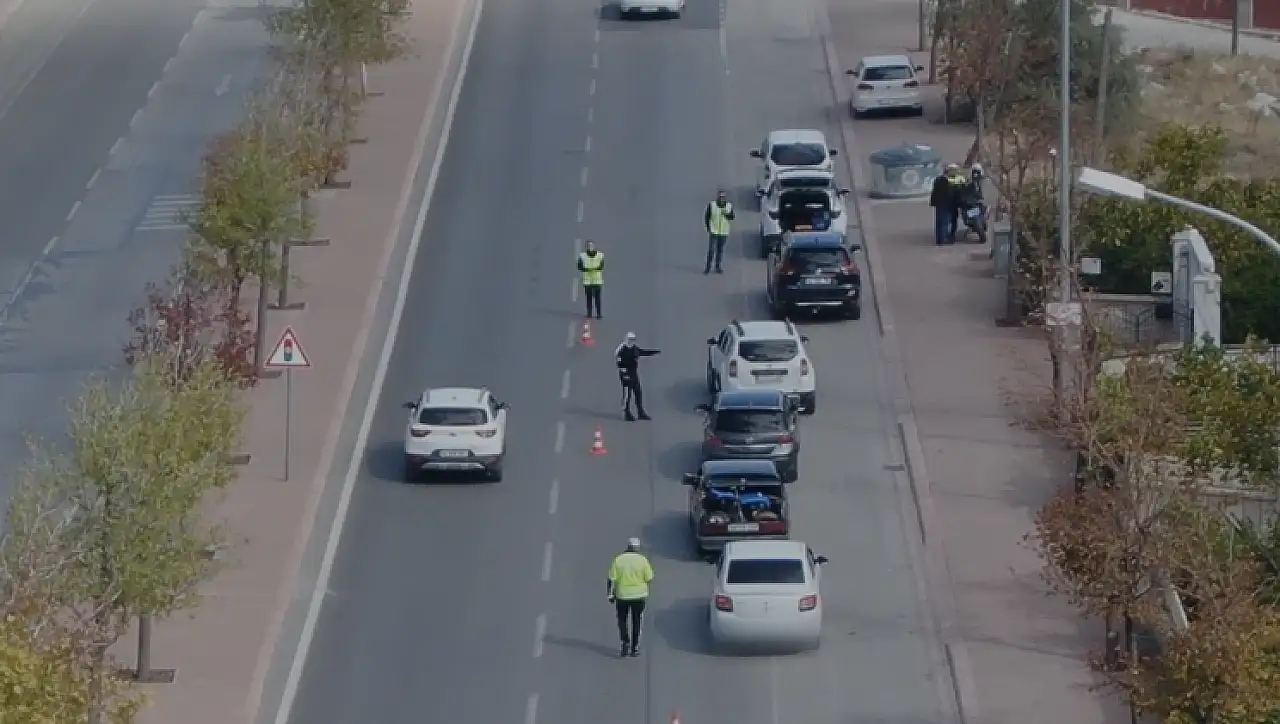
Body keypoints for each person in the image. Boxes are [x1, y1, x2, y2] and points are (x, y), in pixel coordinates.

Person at [607, 537, 654, 657]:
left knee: (622, 620)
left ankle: (625, 642)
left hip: (622, 596)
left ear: (627, 547)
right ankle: (635, 648)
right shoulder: (643, 560)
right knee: (637, 621)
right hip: (639, 596)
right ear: (637, 548)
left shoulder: (619, 560)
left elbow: (611, 579)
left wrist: (610, 595)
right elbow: (649, 578)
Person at [615, 332, 660, 421]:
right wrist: (624, 373)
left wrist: (654, 352)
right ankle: (626, 413)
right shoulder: (622, 349)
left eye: (633, 339)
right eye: (630, 339)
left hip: (633, 373)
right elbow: (619, 363)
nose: (632, 341)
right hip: (626, 374)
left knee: (638, 392)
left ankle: (640, 412)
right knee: (627, 394)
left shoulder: (634, 348)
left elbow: (642, 352)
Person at [703, 189, 735, 274]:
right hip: (714, 231)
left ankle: (717, 267)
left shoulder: (729, 206)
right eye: (720, 197)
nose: (721, 199)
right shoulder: (712, 205)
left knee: (720, 250)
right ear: (718, 197)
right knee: (711, 250)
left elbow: (732, 217)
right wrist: (708, 228)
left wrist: (727, 214)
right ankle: (708, 267)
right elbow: (707, 217)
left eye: (723, 197)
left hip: (724, 232)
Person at [577, 240, 604, 319]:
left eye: (591, 246)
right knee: (589, 297)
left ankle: (598, 314)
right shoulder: (582, 256)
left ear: (594, 246)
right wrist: (588, 269)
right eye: (588, 246)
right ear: (586, 247)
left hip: (597, 280)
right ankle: (589, 313)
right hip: (587, 280)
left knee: (597, 298)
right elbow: (579, 266)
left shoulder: (600, 255)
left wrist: (589, 269)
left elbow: (601, 265)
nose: (590, 247)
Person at [929, 167, 955, 246]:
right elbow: (949, 193)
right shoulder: (947, 181)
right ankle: (943, 239)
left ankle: (939, 239)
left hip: (938, 203)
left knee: (939, 221)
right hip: (945, 203)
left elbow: (934, 191)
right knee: (944, 222)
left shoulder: (937, 179)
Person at [945, 164, 969, 243]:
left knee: (954, 218)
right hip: (952, 202)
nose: (953, 172)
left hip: (958, 201)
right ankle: (951, 235)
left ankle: (951, 235)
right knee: (952, 219)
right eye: (951, 170)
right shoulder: (947, 179)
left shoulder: (959, 178)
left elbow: (966, 187)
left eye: (954, 170)